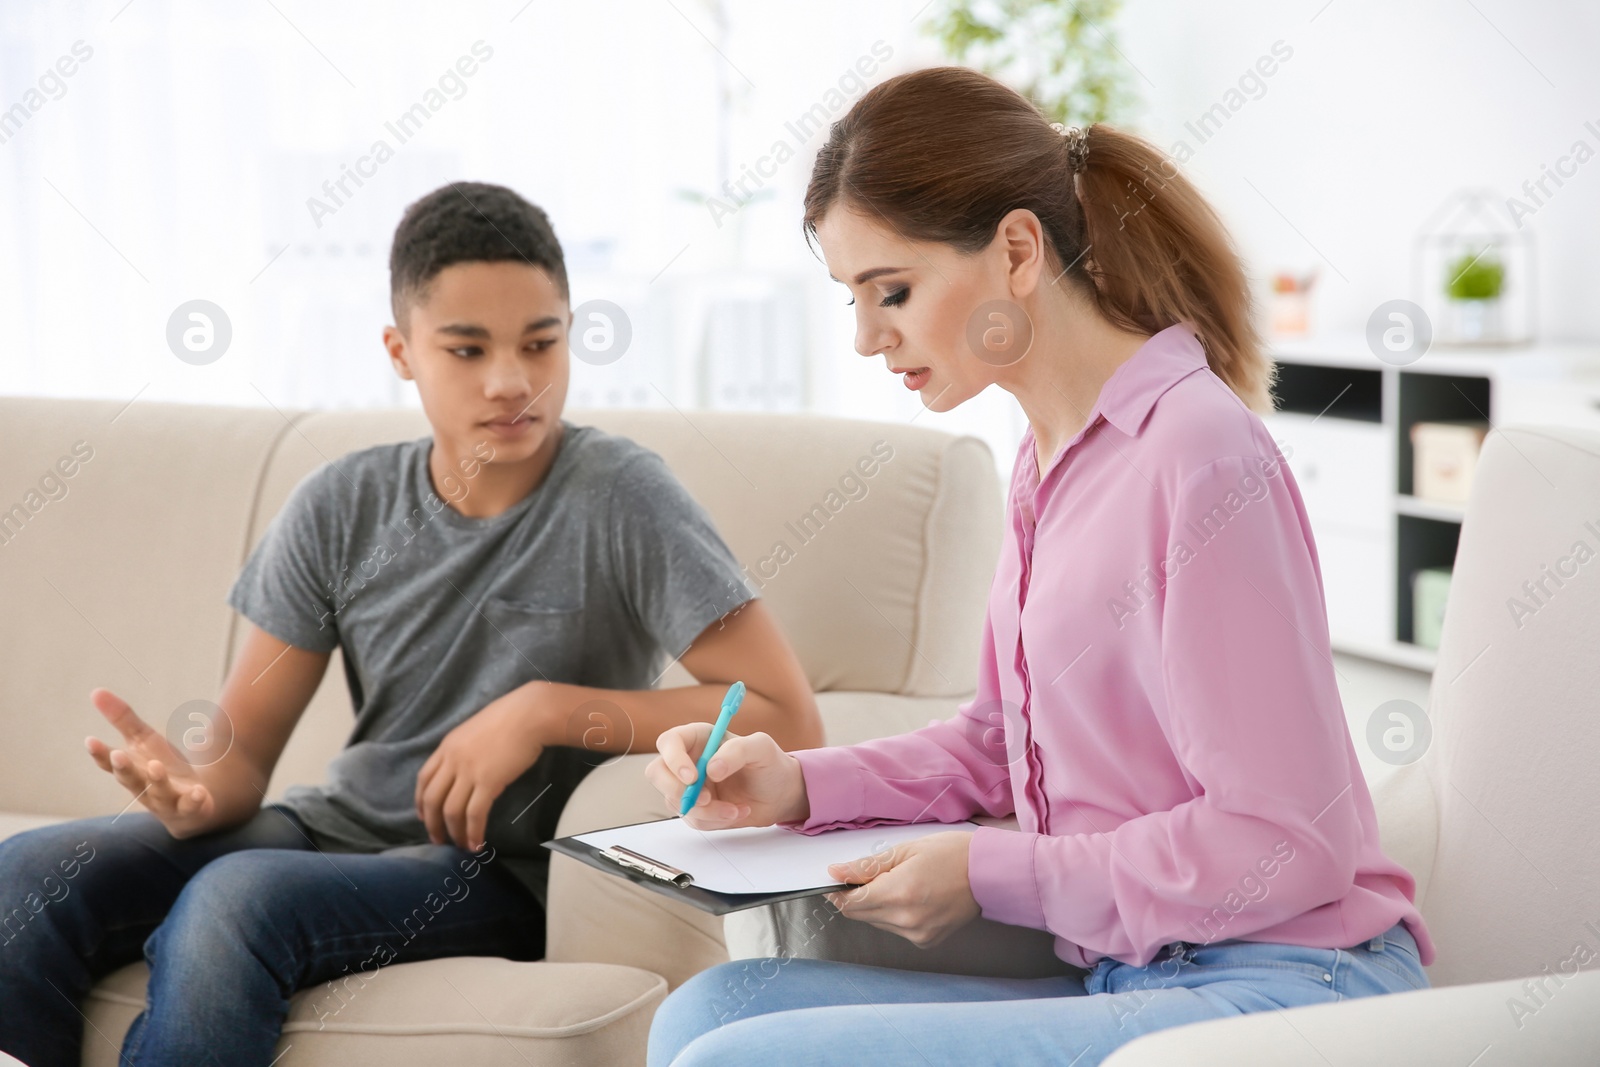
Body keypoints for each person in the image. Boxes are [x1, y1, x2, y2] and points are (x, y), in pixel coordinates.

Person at [644, 66, 1434, 1067]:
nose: (865, 337)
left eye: (892, 290)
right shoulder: (1046, 458)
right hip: (1128, 971)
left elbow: (1284, 837)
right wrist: (794, 783)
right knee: (710, 1010)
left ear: (1016, 250)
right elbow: (993, 748)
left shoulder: (1196, 449)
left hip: (1282, 981)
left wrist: (992, 870)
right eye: (851, 298)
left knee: (737, 1057)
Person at [0, 181, 823, 1067]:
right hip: (333, 824)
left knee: (237, 900)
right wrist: (193, 790)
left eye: (540, 343)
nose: (512, 381)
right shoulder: (340, 504)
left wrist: (542, 709)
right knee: (28, 877)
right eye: (467, 349)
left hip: (502, 866)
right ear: (400, 351)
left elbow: (783, 714)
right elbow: (241, 761)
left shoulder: (622, 496)